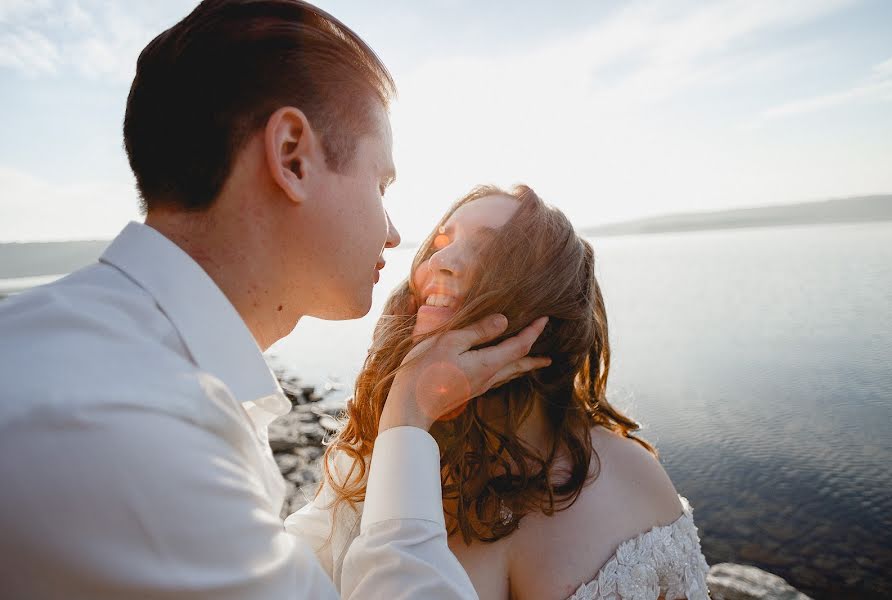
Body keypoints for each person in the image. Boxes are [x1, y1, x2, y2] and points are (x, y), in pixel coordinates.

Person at [0, 2, 550, 598]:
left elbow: (277, 559)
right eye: (380, 183)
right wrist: (408, 414)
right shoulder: (139, 429)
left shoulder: (91, 344)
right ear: (291, 157)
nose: (393, 232)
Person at [286, 184, 712, 600]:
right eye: (441, 242)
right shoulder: (375, 453)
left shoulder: (630, 474)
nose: (442, 261)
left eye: (489, 251)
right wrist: (404, 409)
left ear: (546, 297)